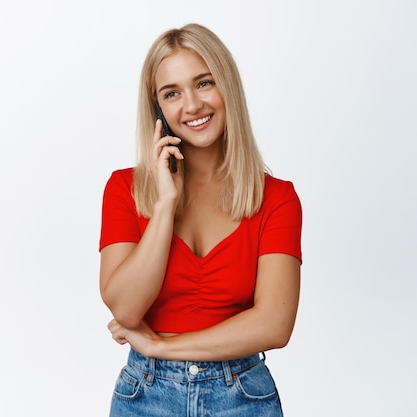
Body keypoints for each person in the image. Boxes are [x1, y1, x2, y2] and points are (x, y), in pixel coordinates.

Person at [98, 23, 302, 416]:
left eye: (204, 83)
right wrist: (164, 206)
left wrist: (163, 347)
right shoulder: (124, 189)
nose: (191, 106)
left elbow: (274, 325)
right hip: (146, 395)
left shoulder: (277, 199)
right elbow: (125, 309)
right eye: (171, 93)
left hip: (243, 397)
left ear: (227, 87)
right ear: (157, 109)